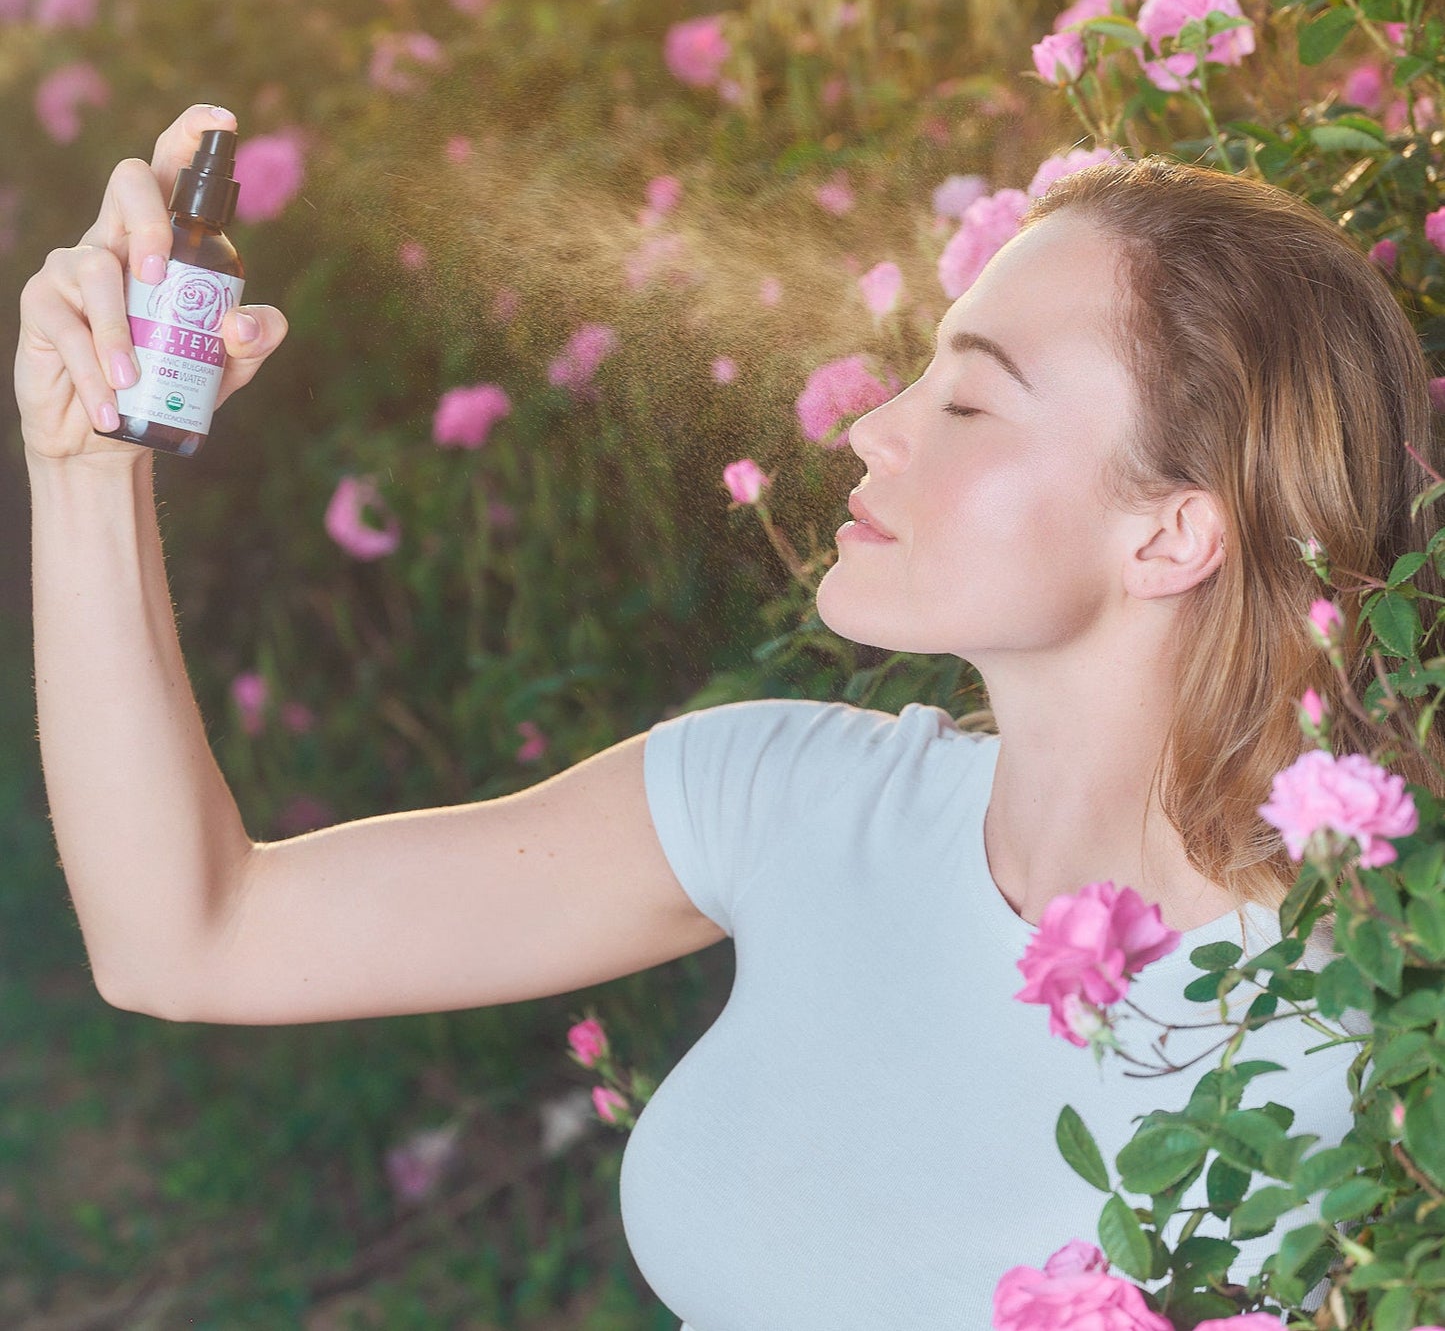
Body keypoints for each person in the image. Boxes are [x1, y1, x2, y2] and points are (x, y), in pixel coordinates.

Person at [19, 103, 1439, 1328]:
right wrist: (83, 473)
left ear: (1170, 534)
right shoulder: (786, 795)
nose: (871, 427)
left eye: (968, 401)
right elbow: (188, 936)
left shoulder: (1365, 1011)